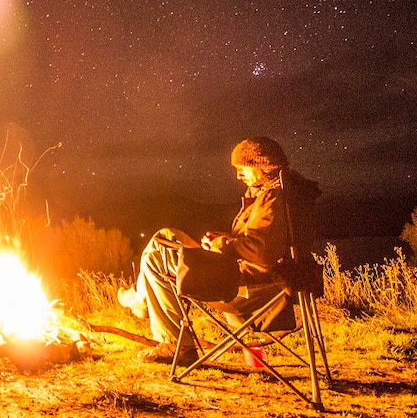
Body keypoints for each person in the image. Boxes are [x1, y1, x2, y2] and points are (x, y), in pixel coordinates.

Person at [118, 137, 320, 365]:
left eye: (243, 168)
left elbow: (263, 251)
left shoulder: (273, 199)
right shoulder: (285, 193)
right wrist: (225, 241)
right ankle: (140, 298)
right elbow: (263, 242)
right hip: (254, 278)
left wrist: (221, 245)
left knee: (156, 256)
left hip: (247, 288)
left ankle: (174, 343)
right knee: (166, 236)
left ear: (264, 165)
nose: (238, 175)